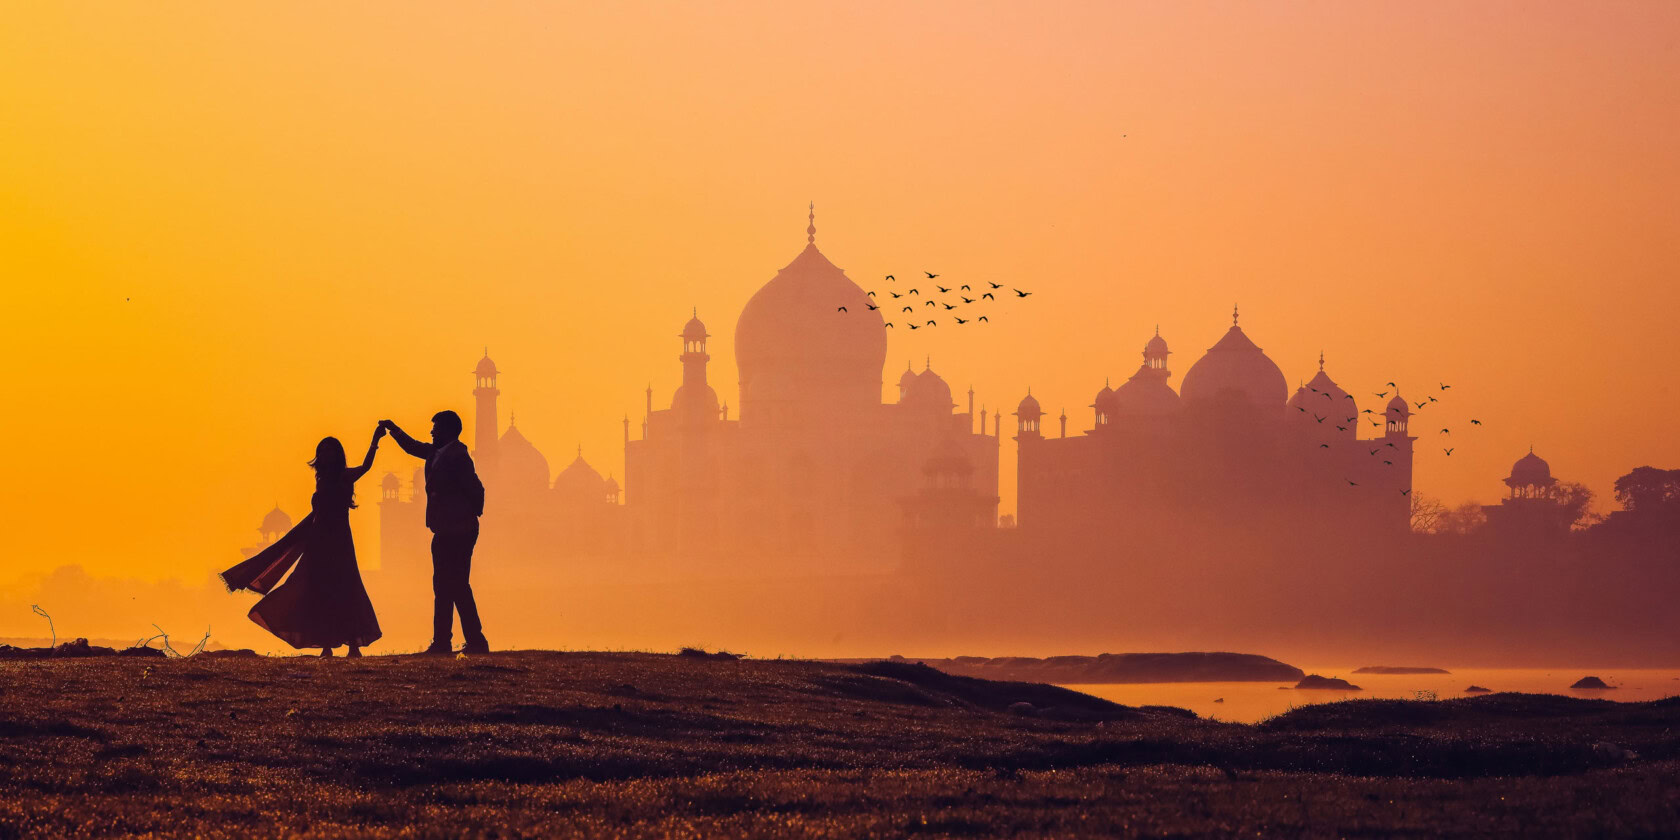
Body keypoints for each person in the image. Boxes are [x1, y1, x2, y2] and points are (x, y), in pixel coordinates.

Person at [222, 428, 384, 657]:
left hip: (340, 542)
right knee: (319, 591)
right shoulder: (322, 481)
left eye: (330, 451)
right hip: (319, 543)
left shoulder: (345, 477)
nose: (326, 456)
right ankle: (327, 645)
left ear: (337, 455)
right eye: (323, 452)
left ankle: (353, 645)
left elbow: (366, 467)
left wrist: (375, 440)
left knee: (347, 589)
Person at [381, 411, 489, 655]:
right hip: (445, 528)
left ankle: (466, 640)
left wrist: (468, 514)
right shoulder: (438, 454)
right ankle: (449, 640)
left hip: (458, 529)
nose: (432, 433)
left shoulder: (458, 456)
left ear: (449, 431)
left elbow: (475, 488)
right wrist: (394, 430)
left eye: (436, 429)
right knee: (445, 585)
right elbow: (413, 447)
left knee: (455, 585)